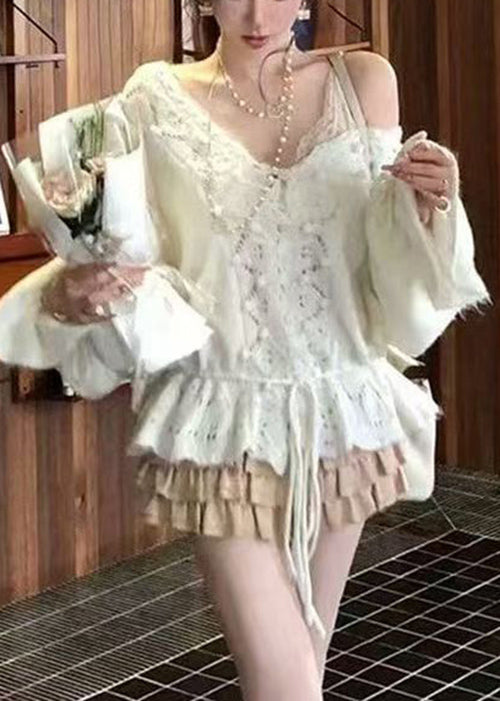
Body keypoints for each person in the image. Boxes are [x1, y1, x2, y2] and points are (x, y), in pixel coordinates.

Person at [0, 1, 492, 699]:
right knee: (285, 684)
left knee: (301, 670)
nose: (258, 13)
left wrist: (428, 206)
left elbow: (386, 268)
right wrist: (76, 292)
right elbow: (130, 255)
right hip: (220, 421)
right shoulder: (153, 98)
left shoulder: (364, 81)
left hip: (343, 414)